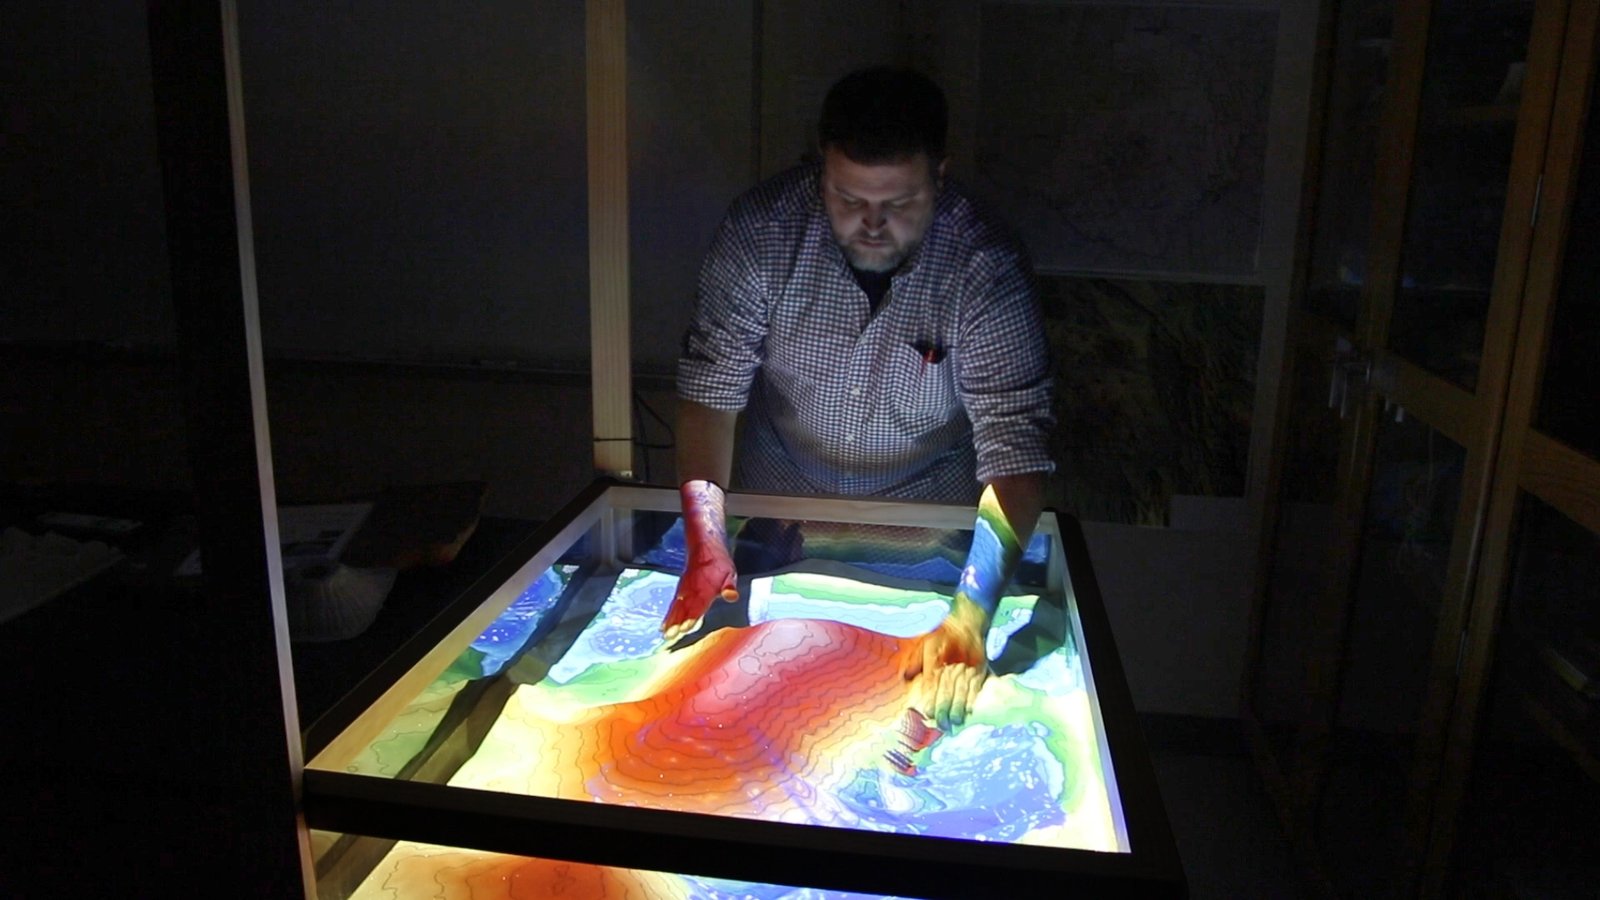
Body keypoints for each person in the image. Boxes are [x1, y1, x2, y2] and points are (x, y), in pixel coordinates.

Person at [666, 66, 1055, 730]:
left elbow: (1016, 448)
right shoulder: (762, 235)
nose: (872, 225)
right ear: (821, 170)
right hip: (778, 516)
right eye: (848, 199)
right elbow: (710, 394)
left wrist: (968, 615)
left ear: (940, 176)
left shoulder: (984, 266)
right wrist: (707, 539)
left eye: (899, 205)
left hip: (930, 535)